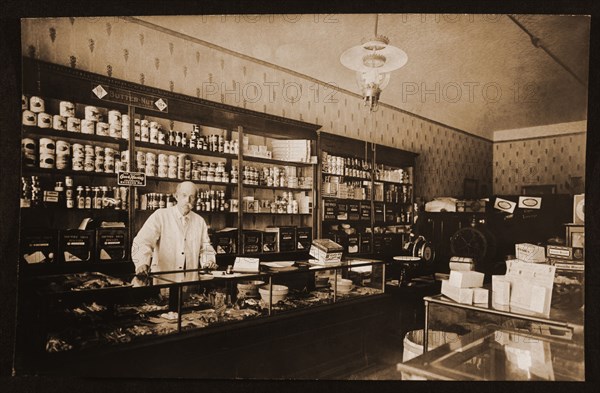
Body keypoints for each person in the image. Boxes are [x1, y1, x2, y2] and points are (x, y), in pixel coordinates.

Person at [132, 181, 217, 275]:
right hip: (164, 277)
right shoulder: (160, 215)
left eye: (191, 196)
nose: (187, 200)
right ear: (176, 196)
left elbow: (205, 247)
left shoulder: (199, 221)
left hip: (190, 278)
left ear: (196, 199)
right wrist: (142, 263)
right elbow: (142, 241)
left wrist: (208, 262)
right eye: (184, 195)